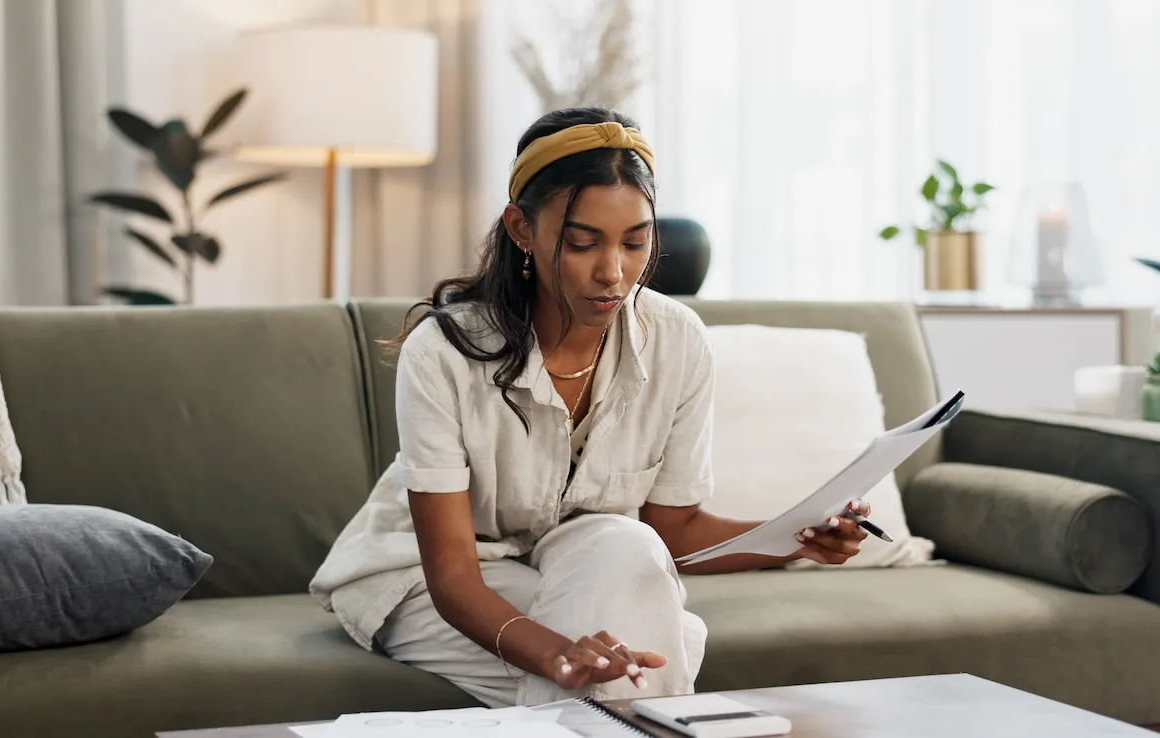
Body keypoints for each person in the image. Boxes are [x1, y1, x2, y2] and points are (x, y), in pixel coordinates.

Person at [309, 106, 870, 708]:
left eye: (636, 242)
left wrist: (796, 539)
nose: (613, 273)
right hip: (425, 581)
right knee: (648, 653)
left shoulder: (676, 340)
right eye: (582, 243)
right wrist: (558, 655)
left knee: (628, 547)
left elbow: (671, 532)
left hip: (577, 564)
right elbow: (454, 577)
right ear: (522, 230)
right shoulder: (443, 353)